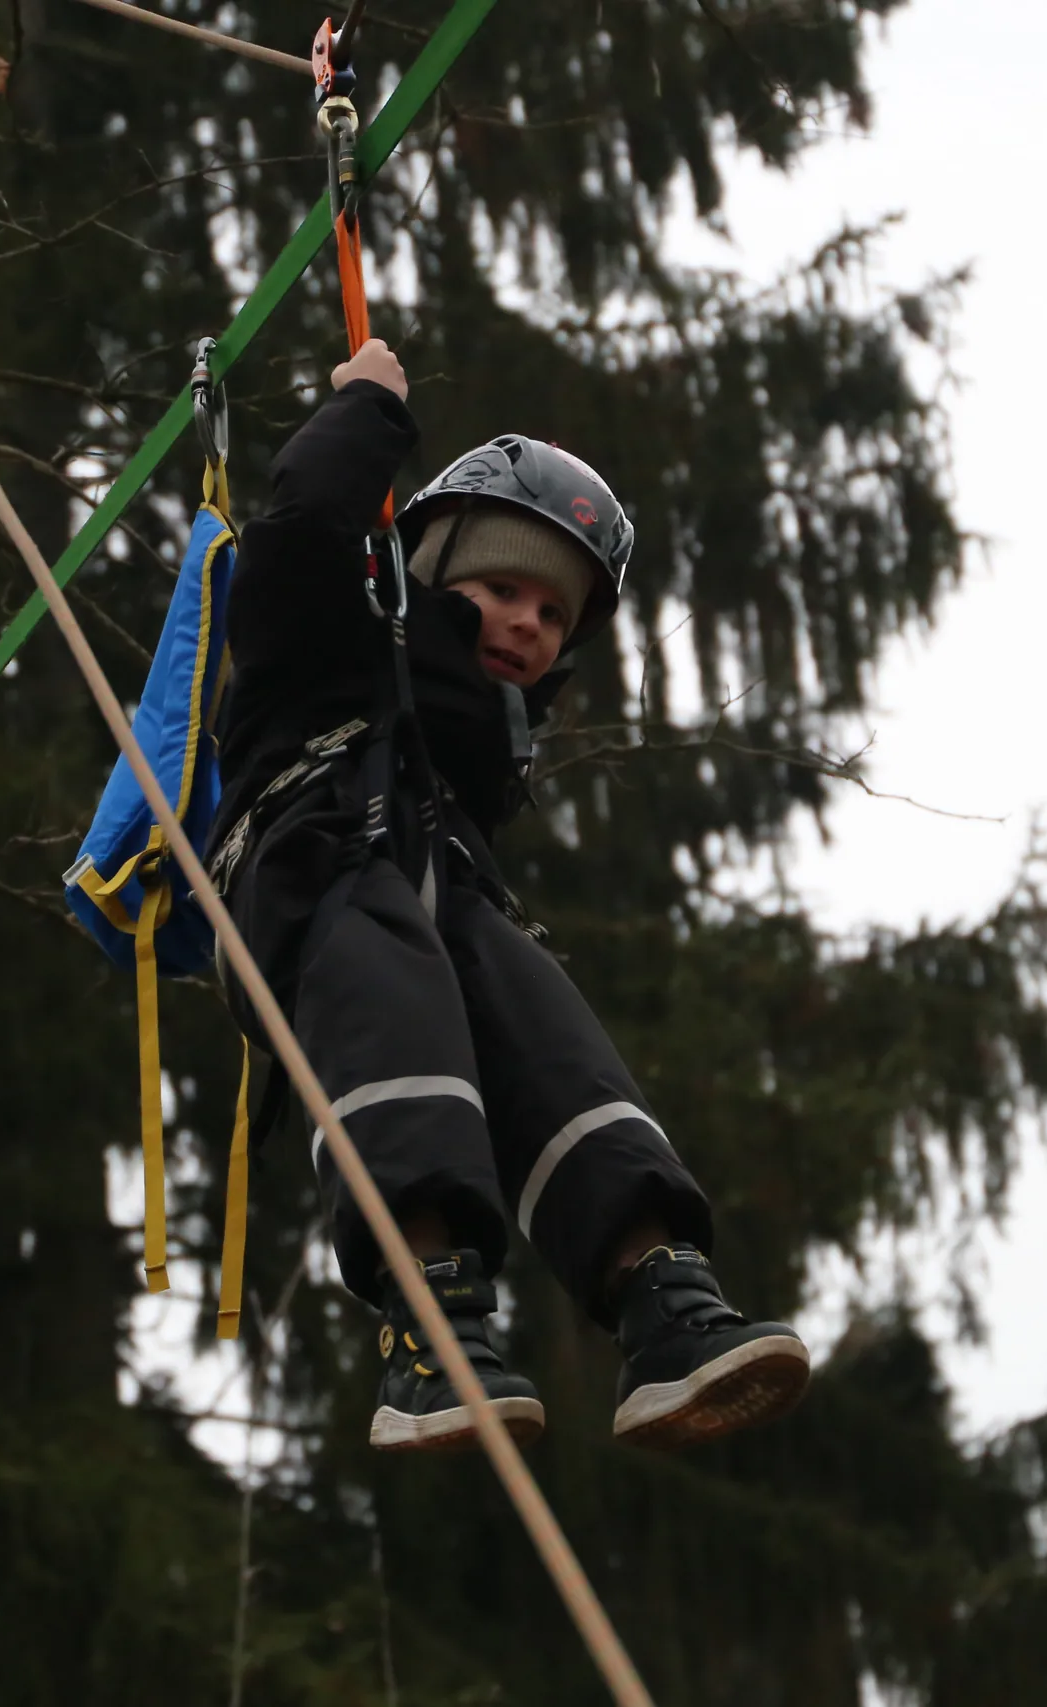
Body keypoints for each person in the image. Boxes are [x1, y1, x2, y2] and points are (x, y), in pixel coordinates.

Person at [209, 337, 809, 1454]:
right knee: (397, 975)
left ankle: (656, 1294)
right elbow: (296, 539)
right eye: (498, 589)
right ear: (426, 575)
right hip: (312, 874)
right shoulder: (324, 641)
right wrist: (364, 415)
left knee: (534, 1018)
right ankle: (429, 1311)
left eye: (552, 612)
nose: (528, 623)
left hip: (434, 890)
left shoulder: (470, 756)